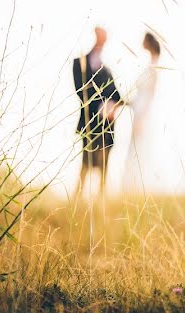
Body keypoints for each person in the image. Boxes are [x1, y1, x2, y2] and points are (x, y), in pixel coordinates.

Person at [73, 27, 123, 199]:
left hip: (106, 124)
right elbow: (81, 90)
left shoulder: (107, 69)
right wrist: (100, 105)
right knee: (86, 160)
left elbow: (116, 95)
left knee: (104, 162)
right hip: (90, 121)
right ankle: (77, 197)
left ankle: (102, 198)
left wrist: (112, 105)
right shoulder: (80, 63)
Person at [122, 32, 162, 194]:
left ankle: (137, 188)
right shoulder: (149, 66)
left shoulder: (153, 69)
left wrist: (141, 118)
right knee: (135, 149)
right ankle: (131, 188)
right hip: (138, 112)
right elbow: (140, 96)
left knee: (140, 150)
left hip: (143, 115)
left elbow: (150, 96)